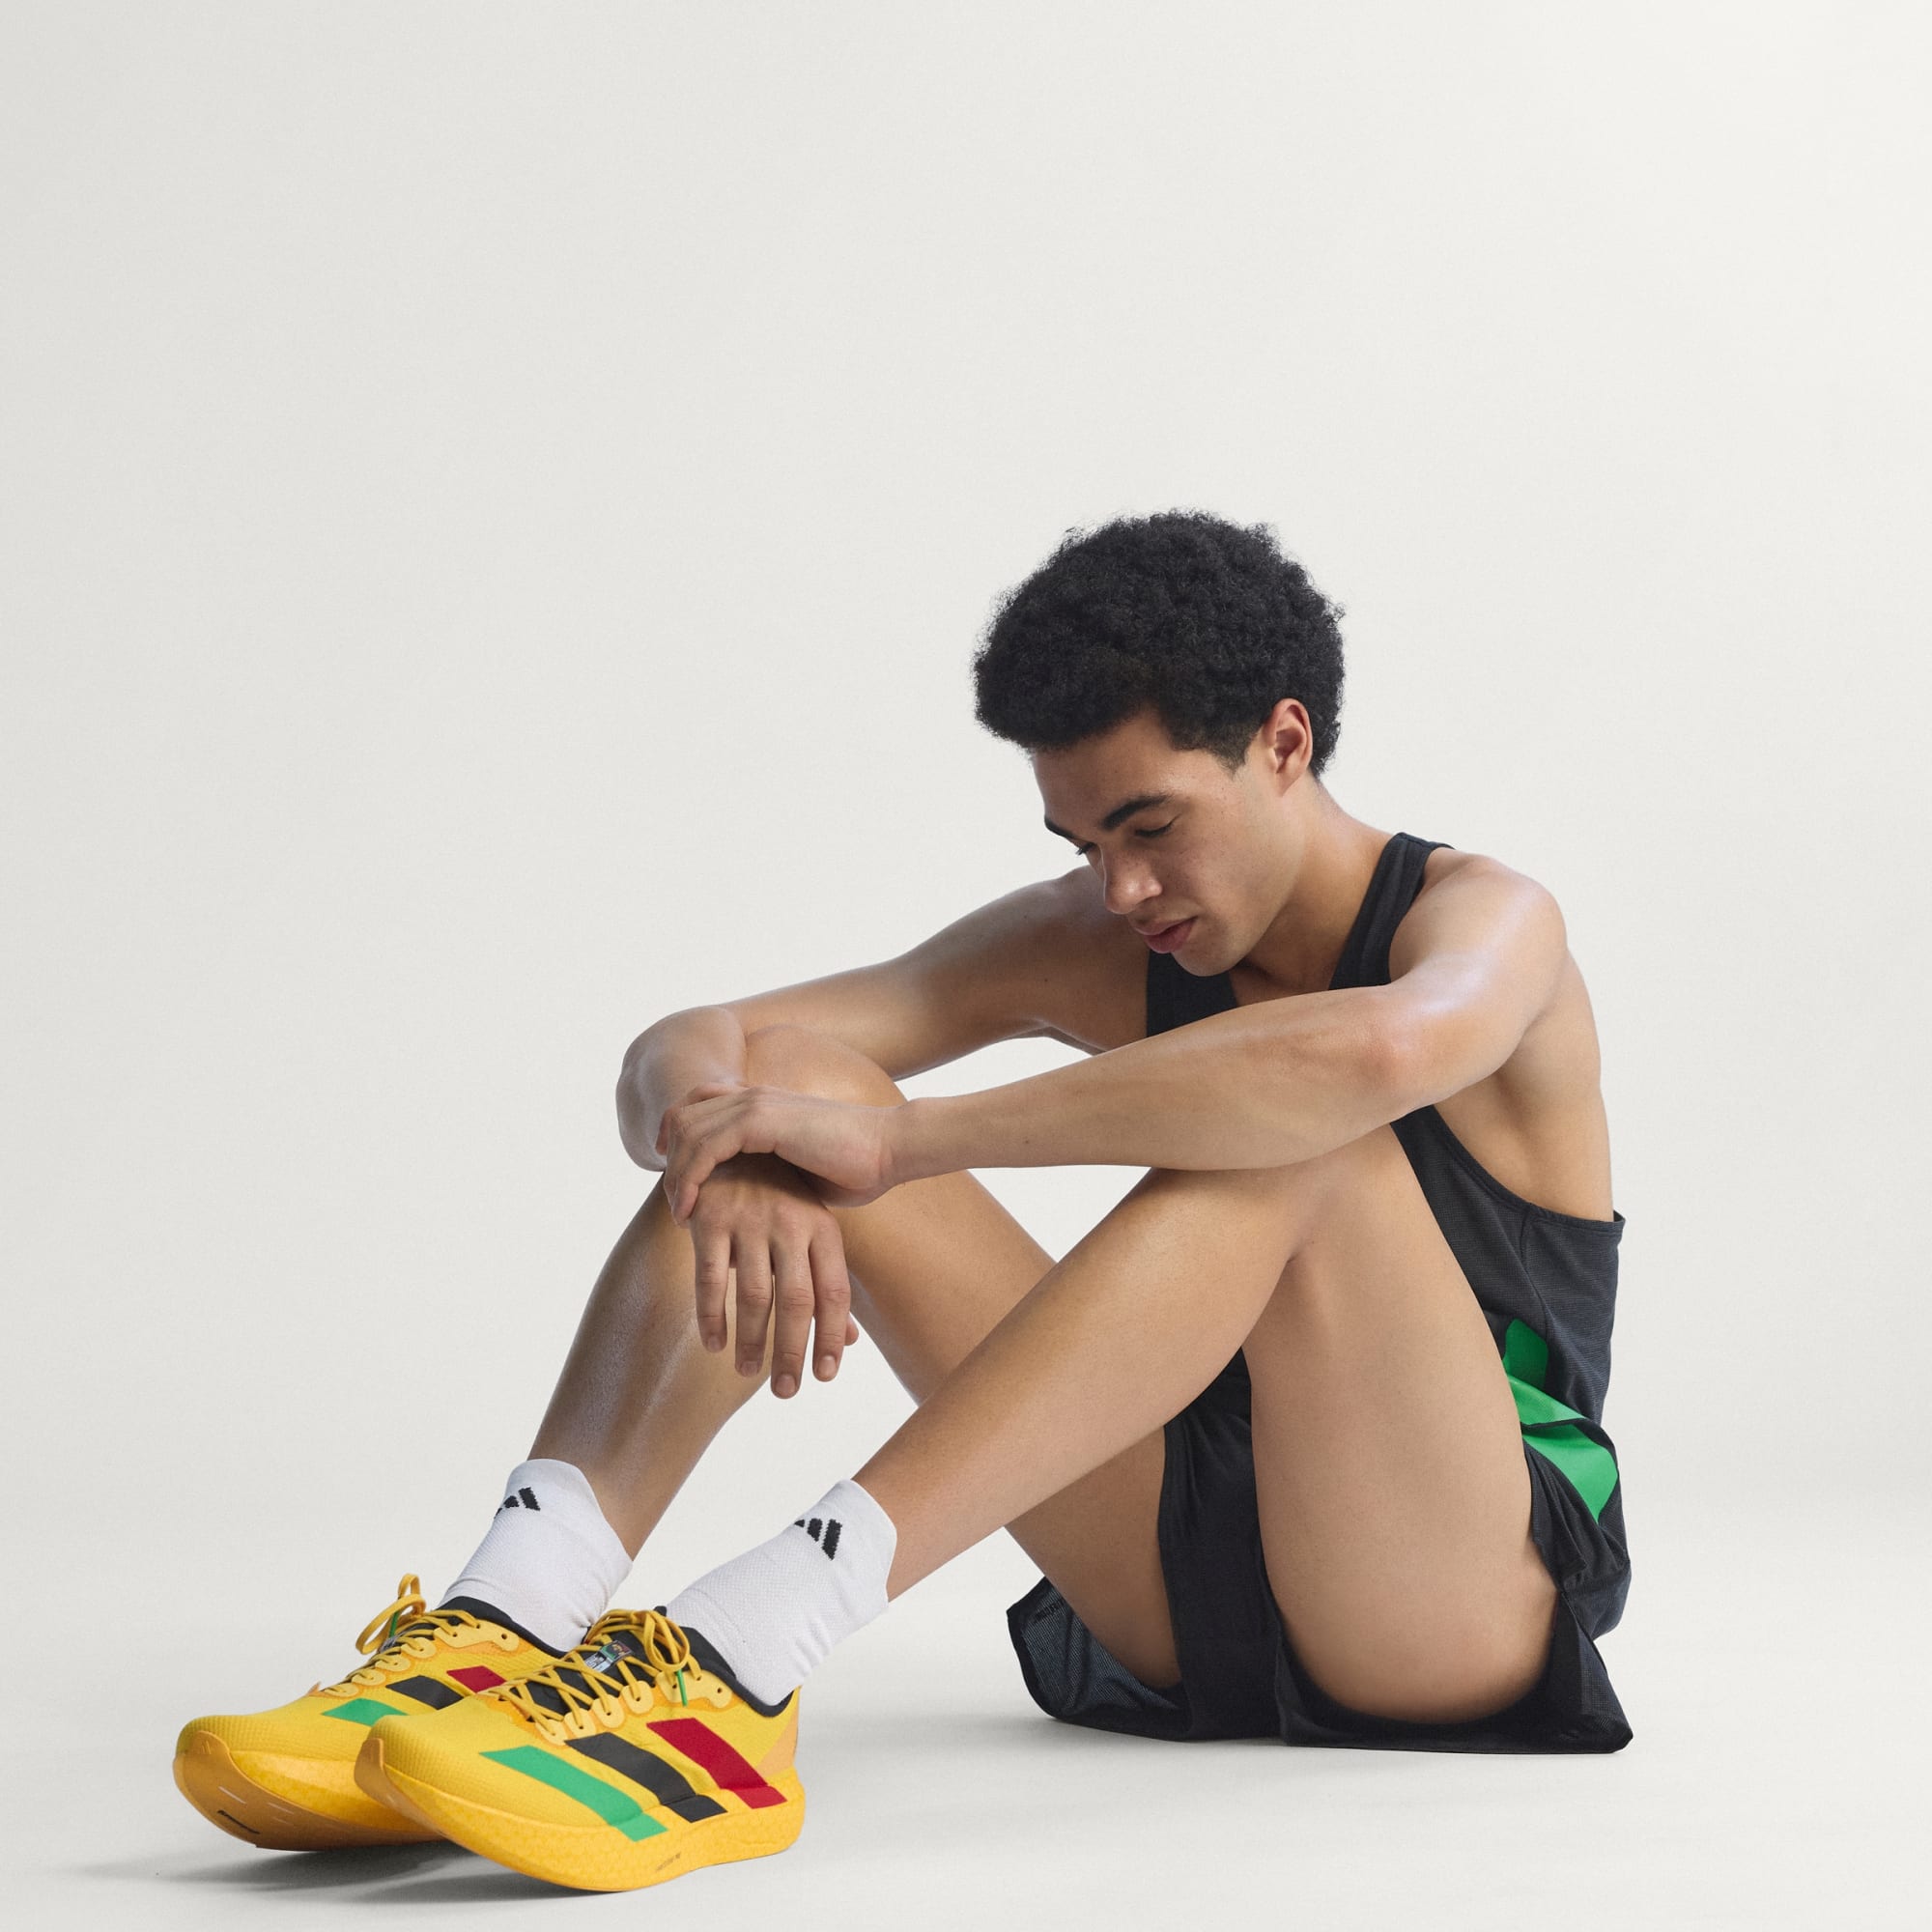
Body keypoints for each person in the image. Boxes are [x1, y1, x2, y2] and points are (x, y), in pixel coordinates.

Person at [174, 510, 1633, 1893]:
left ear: (1284, 743)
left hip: (1449, 1589)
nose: (1123, 891)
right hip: (1181, 1576)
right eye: (1085, 848)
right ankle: (509, 1610)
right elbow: (689, 1044)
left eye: (1151, 827)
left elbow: (1363, 1059)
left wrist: (907, 1143)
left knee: (1306, 1136)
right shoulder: (1109, 937)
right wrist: (749, 1139)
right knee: (788, 1087)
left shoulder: (1486, 923)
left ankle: (750, 1647)